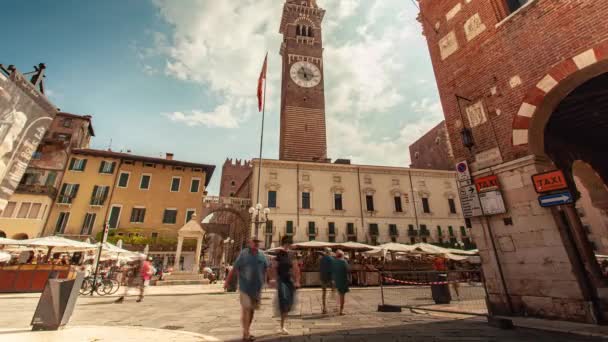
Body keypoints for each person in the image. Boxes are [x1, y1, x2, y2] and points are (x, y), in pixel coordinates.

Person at [224, 237, 268, 341]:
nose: (257, 244)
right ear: (250, 243)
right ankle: (246, 333)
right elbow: (235, 268)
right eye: (255, 242)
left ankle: (246, 331)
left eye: (258, 242)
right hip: (245, 287)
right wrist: (227, 281)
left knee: (252, 311)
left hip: (256, 288)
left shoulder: (262, 255)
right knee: (246, 309)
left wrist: (269, 280)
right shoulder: (244, 254)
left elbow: (266, 268)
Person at [272, 236, 300, 335]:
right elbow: (274, 267)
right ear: (285, 243)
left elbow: (296, 268)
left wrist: (297, 281)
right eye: (288, 244)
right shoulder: (279, 254)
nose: (290, 246)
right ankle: (282, 326)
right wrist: (275, 280)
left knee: (289, 303)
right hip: (281, 281)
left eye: (290, 244)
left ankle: (282, 322)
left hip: (289, 281)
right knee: (284, 301)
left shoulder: (292, 255)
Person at [332, 250, 349, 316]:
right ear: (342, 255)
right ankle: (341, 311)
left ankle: (336, 308)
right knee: (342, 296)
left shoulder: (334, 262)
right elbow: (348, 270)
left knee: (336, 295)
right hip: (343, 281)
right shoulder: (344, 262)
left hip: (336, 280)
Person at [319, 247, 334, 314]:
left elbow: (320, 268)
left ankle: (324, 308)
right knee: (333, 291)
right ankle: (334, 307)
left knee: (324, 292)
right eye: (330, 251)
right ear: (329, 252)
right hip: (330, 277)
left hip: (323, 277)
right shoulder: (331, 259)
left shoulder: (321, 259)